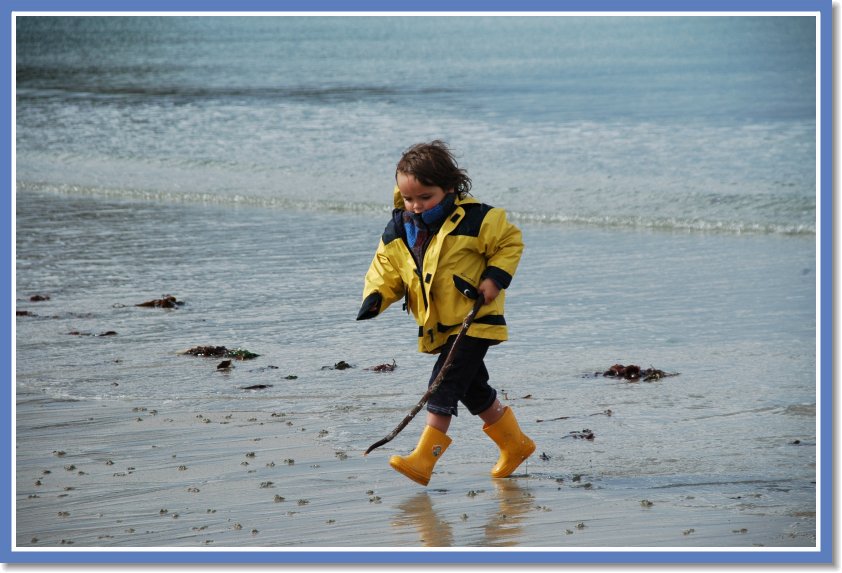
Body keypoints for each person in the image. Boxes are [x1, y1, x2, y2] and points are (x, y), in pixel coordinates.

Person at [357, 140, 535, 486]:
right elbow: (387, 268)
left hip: (474, 319)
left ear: (450, 188)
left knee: (442, 383)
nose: (417, 205)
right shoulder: (400, 228)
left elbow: (509, 242)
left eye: (426, 197)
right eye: (409, 198)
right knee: (472, 387)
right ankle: (515, 444)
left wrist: (495, 278)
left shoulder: (478, 218)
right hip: (438, 325)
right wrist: (376, 296)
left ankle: (424, 459)